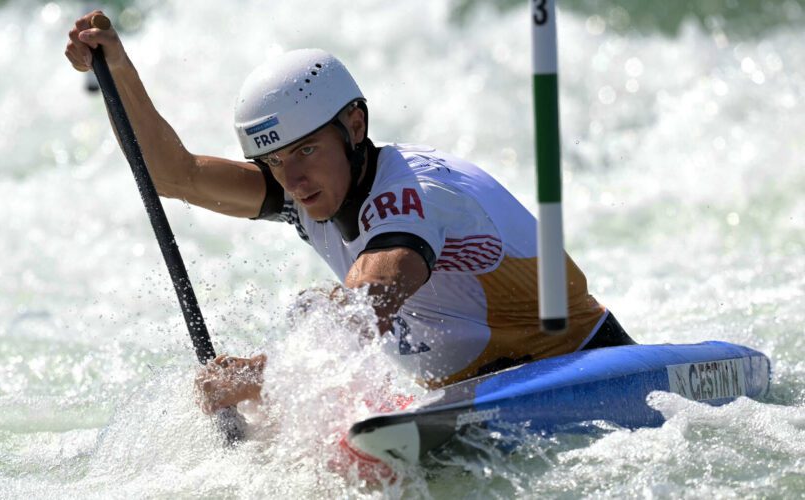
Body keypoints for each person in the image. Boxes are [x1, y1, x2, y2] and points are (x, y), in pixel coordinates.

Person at [65, 11, 635, 416]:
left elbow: (367, 306)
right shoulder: (305, 191)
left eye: (306, 150)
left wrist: (257, 376)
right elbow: (174, 176)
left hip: (583, 368)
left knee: (329, 310)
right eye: (275, 160)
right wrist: (114, 70)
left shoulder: (415, 192)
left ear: (355, 126)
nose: (292, 177)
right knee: (311, 307)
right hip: (470, 395)